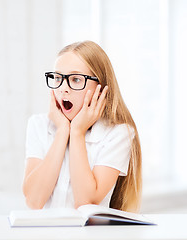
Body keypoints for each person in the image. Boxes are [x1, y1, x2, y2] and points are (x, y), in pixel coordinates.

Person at [22, 40, 142, 213]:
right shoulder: (39, 124)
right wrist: (63, 131)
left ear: (100, 88)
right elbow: (34, 200)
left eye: (76, 79)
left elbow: (86, 202)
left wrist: (76, 132)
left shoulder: (119, 133)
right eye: (57, 78)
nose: (63, 88)